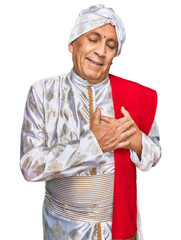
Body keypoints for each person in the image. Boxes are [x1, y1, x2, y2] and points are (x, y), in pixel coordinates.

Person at [20, 4, 161, 240]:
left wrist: (138, 142)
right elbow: (29, 167)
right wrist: (93, 145)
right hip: (63, 228)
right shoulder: (43, 93)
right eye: (92, 39)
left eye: (110, 45)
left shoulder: (133, 96)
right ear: (72, 44)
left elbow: (154, 155)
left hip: (119, 226)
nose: (101, 51)